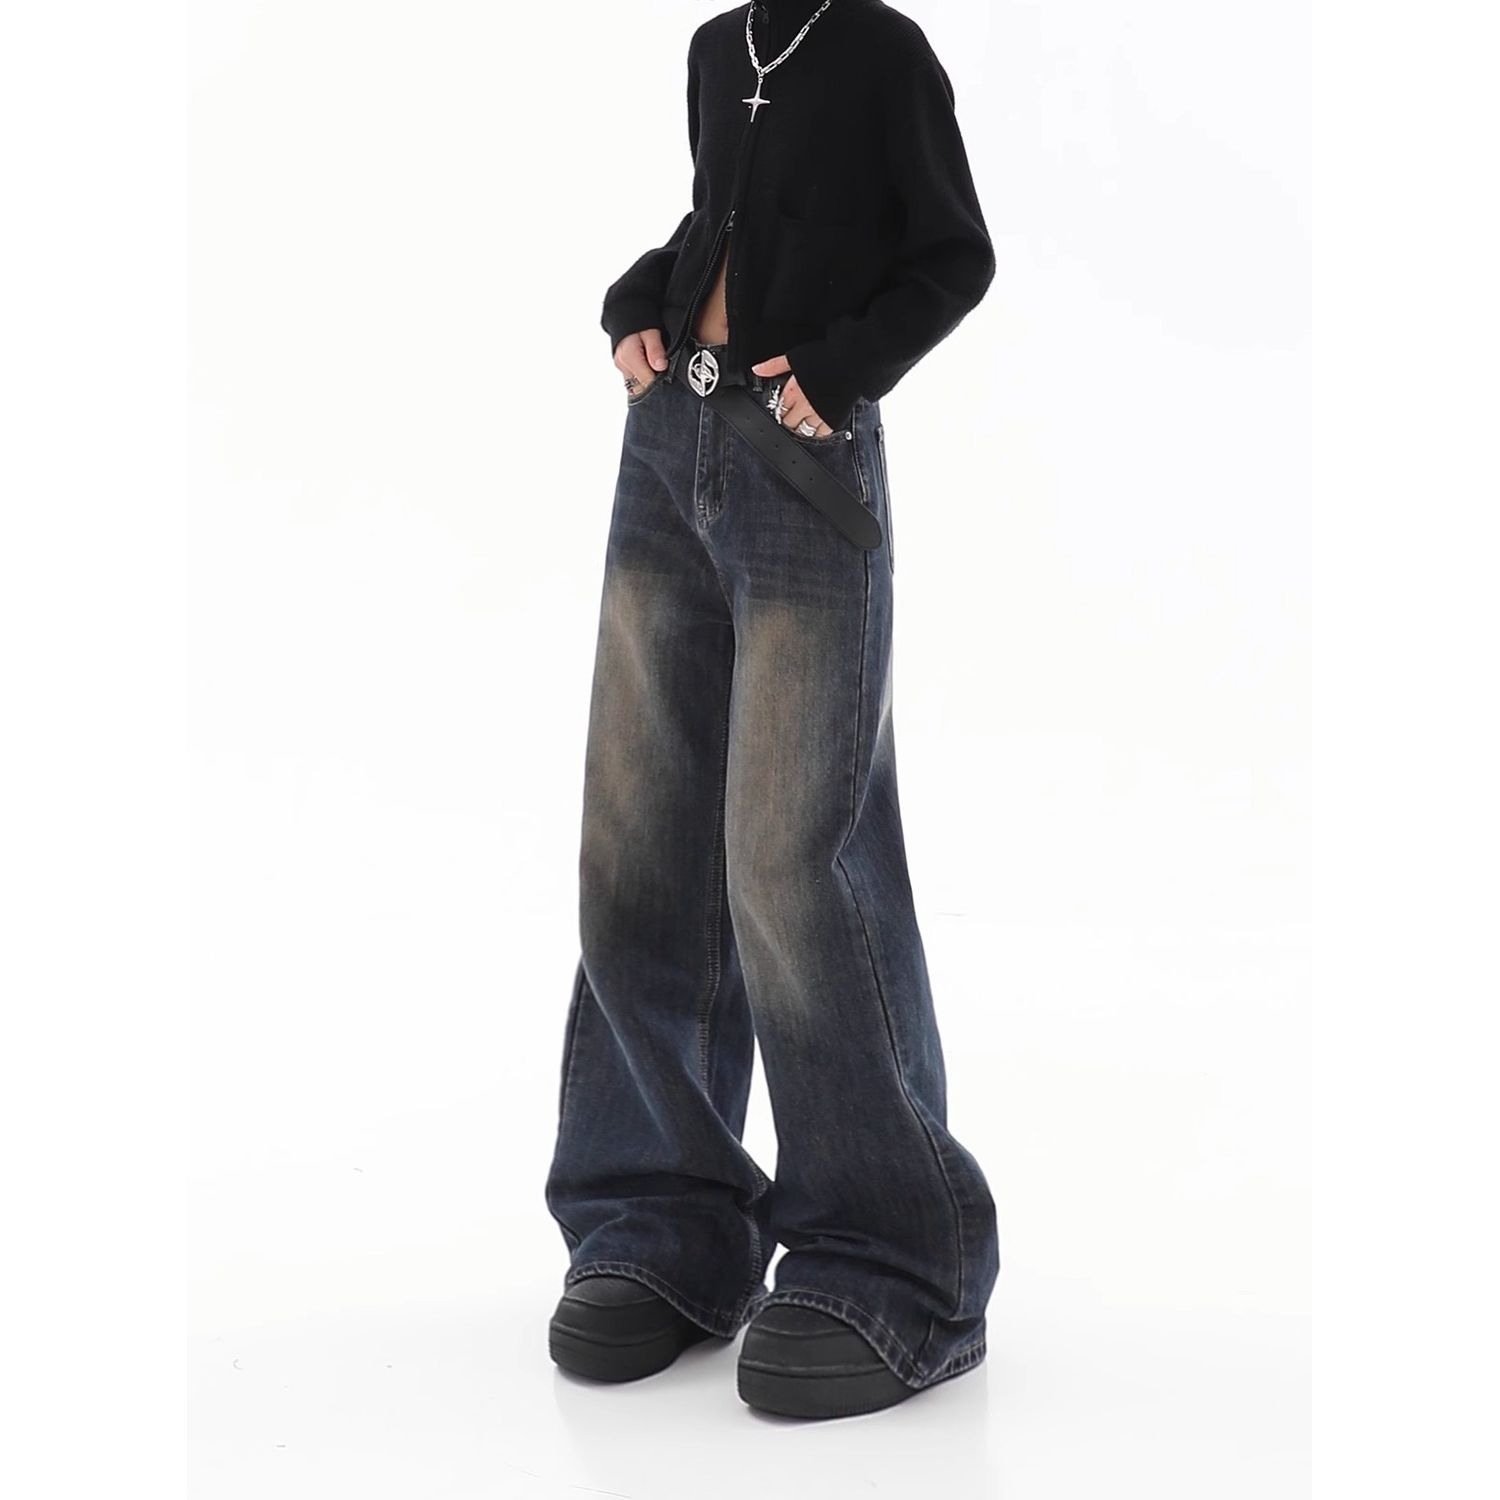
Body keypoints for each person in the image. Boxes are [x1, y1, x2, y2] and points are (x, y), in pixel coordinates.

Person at [544, 0, 1000, 1420]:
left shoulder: (880, 51)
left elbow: (954, 255)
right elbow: (722, 225)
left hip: (803, 464)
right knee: (642, 842)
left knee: (796, 857)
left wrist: (841, 371)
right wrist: (643, 299)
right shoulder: (718, 46)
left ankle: (893, 1260)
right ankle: (663, 1218)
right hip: (670, 443)